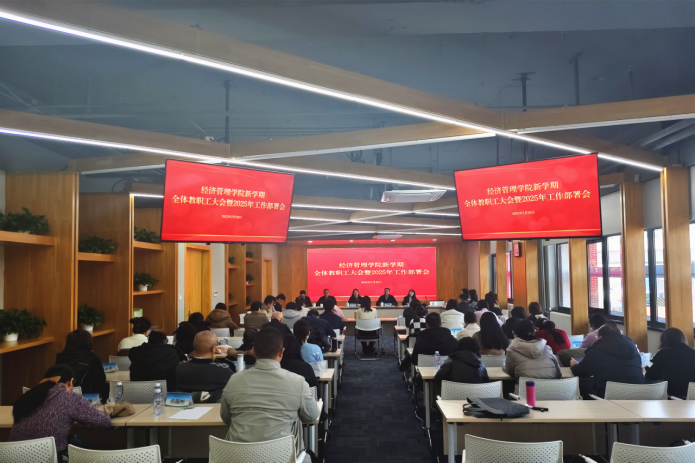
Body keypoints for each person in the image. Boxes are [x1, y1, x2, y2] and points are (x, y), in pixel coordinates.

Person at [220, 328, 319, 461]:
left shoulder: (234, 380)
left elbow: (226, 418)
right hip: (281, 457)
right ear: (281, 352)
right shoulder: (298, 382)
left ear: (254, 351)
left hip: (238, 458)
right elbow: (311, 416)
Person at [10, 365, 112, 457]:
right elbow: (103, 421)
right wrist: (109, 411)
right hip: (48, 458)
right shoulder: (69, 398)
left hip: (13, 457)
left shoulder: (26, 398)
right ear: (70, 382)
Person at [571, 323, 644, 398]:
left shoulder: (596, 352)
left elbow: (581, 372)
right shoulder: (633, 350)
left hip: (610, 396)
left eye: (596, 336)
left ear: (600, 338)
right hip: (639, 396)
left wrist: (574, 365)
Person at [176, 331, 233, 403]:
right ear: (214, 348)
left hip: (183, 406)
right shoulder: (224, 370)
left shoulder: (180, 367)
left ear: (194, 345)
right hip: (215, 408)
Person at [55, 330, 108, 400]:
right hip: (88, 400)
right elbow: (101, 380)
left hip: (62, 399)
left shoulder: (60, 359)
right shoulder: (92, 359)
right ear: (88, 342)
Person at [645, 328, 695, 398]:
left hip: (673, 396)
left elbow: (648, 369)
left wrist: (650, 361)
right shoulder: (693, 352)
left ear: (664, 340)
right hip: (692, 396)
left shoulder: (663, 353)